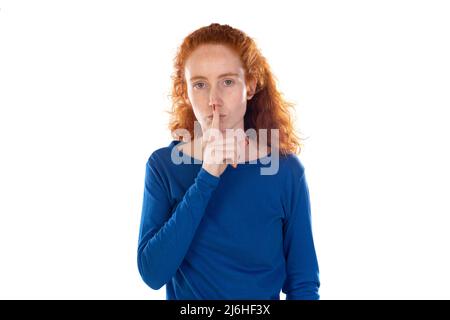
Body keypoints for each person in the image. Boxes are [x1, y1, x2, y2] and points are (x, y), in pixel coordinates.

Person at [137, 23, 320, 300]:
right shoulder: (164, 166)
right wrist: (207, 176)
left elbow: (303, 284)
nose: (213, 100)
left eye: (227, 82)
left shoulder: (286, 171)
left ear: (250, 85)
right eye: (200, 84)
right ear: (185, 92)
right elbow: (152, 273)